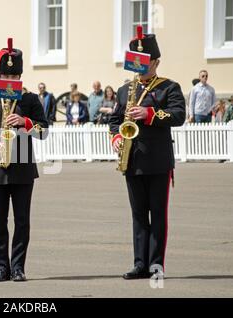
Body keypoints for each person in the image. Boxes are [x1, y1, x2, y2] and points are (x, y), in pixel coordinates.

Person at [109, 26, 186, 280]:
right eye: (137, 63)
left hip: (158, 160)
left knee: (158, 214)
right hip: (132, 161)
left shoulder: (169, 87)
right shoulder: (124, 90)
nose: (141, 68)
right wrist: (117, 137)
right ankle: (140, 263)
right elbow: (114, 121)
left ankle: (155, 266)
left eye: (146, 63)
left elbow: (178, 116)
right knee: (138, 215)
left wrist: (149, 114)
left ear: (156, 62)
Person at [0, 38, 48, 282]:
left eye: (14, 76)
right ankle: (1, 266)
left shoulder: (30, 100)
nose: (10, 80)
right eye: (5, 75)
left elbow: (44, 131)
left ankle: (18, 267)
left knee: (22, 221)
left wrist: (25, 123)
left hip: (23, 166)